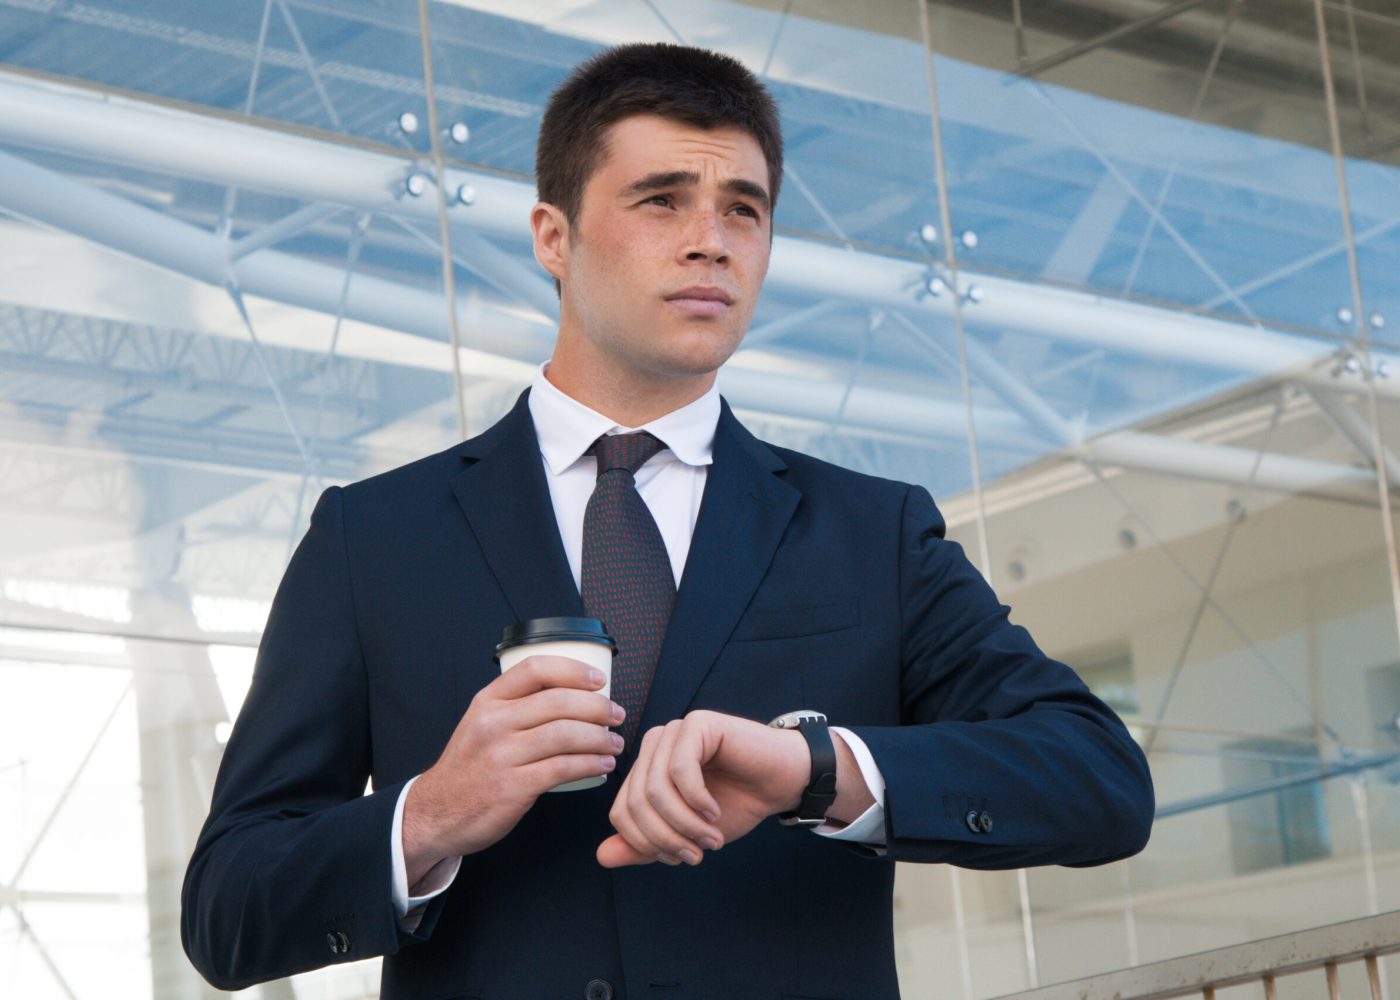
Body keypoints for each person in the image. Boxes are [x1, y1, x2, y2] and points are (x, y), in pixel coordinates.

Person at [182, 43, 1153, 1000]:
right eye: (660, 199)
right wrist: (427, 815)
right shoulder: (375, 538)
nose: (711, 239)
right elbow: (226, 910)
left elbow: (1097, 779)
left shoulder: (869, 532)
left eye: (744, 208)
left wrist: (813, 767)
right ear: (551, 236)